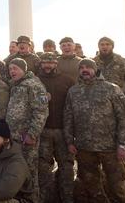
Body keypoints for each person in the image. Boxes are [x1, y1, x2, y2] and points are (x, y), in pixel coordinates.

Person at [64, 59, 125, 202]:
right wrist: (70, 141)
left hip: (110, 148)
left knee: (117, 187)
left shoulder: (111, 88)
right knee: (92, 188)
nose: (84, 70)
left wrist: (123, 145)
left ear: (95, 69)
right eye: (81, 68)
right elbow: (68, 118)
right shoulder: (73, 91)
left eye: (88, 67)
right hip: (84, 148)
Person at [5, 58, 49, 203]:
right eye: (10, 69)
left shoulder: (33, 85)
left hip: (27, 138)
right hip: (14, 137)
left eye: (15, 68)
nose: (12, 71)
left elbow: (41, 111)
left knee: (29, 171)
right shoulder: (15, 85)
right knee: (18, 170)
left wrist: (32, 134)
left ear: (24, 69)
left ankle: (32, 199)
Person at [37, 52, 75, 203]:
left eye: (51, 62)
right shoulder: (35, 80)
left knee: (66, 169)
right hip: (43, 132)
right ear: (41, 64)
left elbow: (74, 106)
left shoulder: (67, 80)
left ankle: (67, 199)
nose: (48, 65)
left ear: (56, 64)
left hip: (63, 132)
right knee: (43, 170)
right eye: (45, 63)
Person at [94, 36, 125, 114]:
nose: (105, 47)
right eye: (102, 44)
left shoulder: (123, 62)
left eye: (107, 44)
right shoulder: (93, 63)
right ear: (98, 46)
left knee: (122, 125)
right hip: (99, 102)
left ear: (112, 46)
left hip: (120, 102)